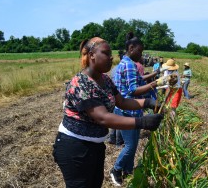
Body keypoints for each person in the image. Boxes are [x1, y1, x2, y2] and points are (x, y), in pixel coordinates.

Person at [52, 37, 165, 188]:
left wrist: (147, 102)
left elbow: (122, 102)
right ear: (92, 55)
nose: (111, 57)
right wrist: (142, 122)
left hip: (96, 145)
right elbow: (103, 118)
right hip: (75, 148)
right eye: (106, 53)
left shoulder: (105, 79)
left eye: (111, 53)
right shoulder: (80, 83)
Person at [110, 32, 169, 186]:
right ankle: (116, 170)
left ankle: (128, 170)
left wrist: (155, 77)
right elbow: (133, 90)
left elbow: (137, 80)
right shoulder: (129, 64)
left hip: (129, 108)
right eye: (140, 51)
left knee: (133, 144)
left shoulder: (124, 63)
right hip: (127, 110)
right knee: (130, 146)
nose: (141, 54)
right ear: (131, 48)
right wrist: (155, 84)